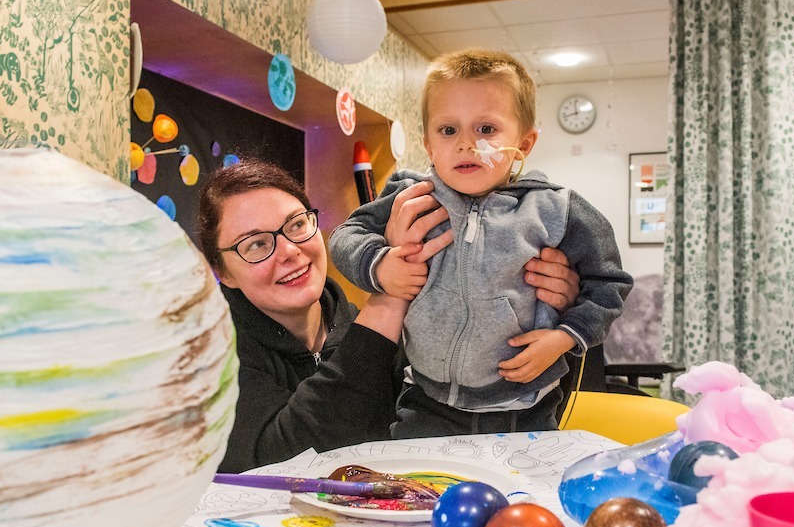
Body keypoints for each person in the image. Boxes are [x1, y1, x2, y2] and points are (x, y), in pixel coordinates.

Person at [195, 158, 581, 472]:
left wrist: (546, 313)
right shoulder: (209, 357)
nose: (289, 250)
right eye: (257, 243)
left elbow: (501, 412)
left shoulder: (362, 322)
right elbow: (287, 458)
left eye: (297, 224)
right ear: (224, 272)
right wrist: (393, 290)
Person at [329, 48, 632, 437]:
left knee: (521, 497)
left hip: (527, 406)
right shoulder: (412, 194)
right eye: (448, 130)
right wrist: (380, 265)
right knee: (421, 493)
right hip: (425, 401)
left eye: (486, 129)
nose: (466, 143)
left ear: (524, 143)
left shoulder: (555, 209)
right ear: (428, 143)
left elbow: (609, 284)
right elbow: (345, 236)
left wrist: (565, 338)